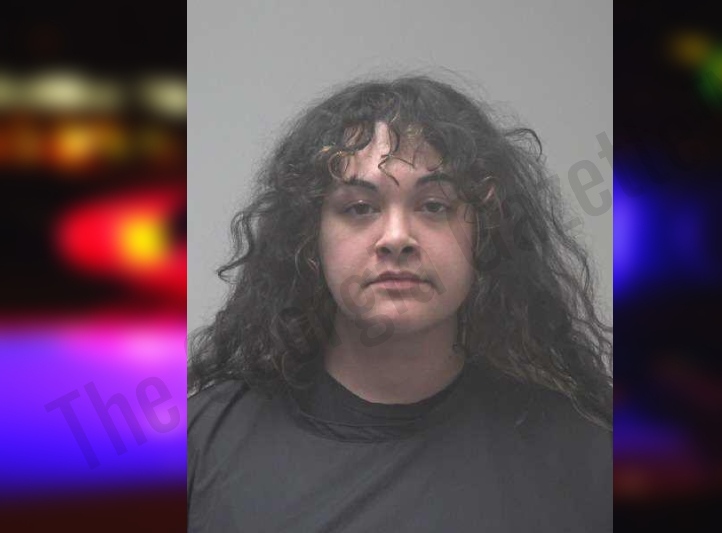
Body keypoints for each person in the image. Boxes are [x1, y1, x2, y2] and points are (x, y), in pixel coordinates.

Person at [188, 75, 612, 532]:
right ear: (309, 241)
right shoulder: (202, 445)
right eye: (359, 207)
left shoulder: (586, 457)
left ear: (486, 234)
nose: (396, 237)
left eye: (434, 206)